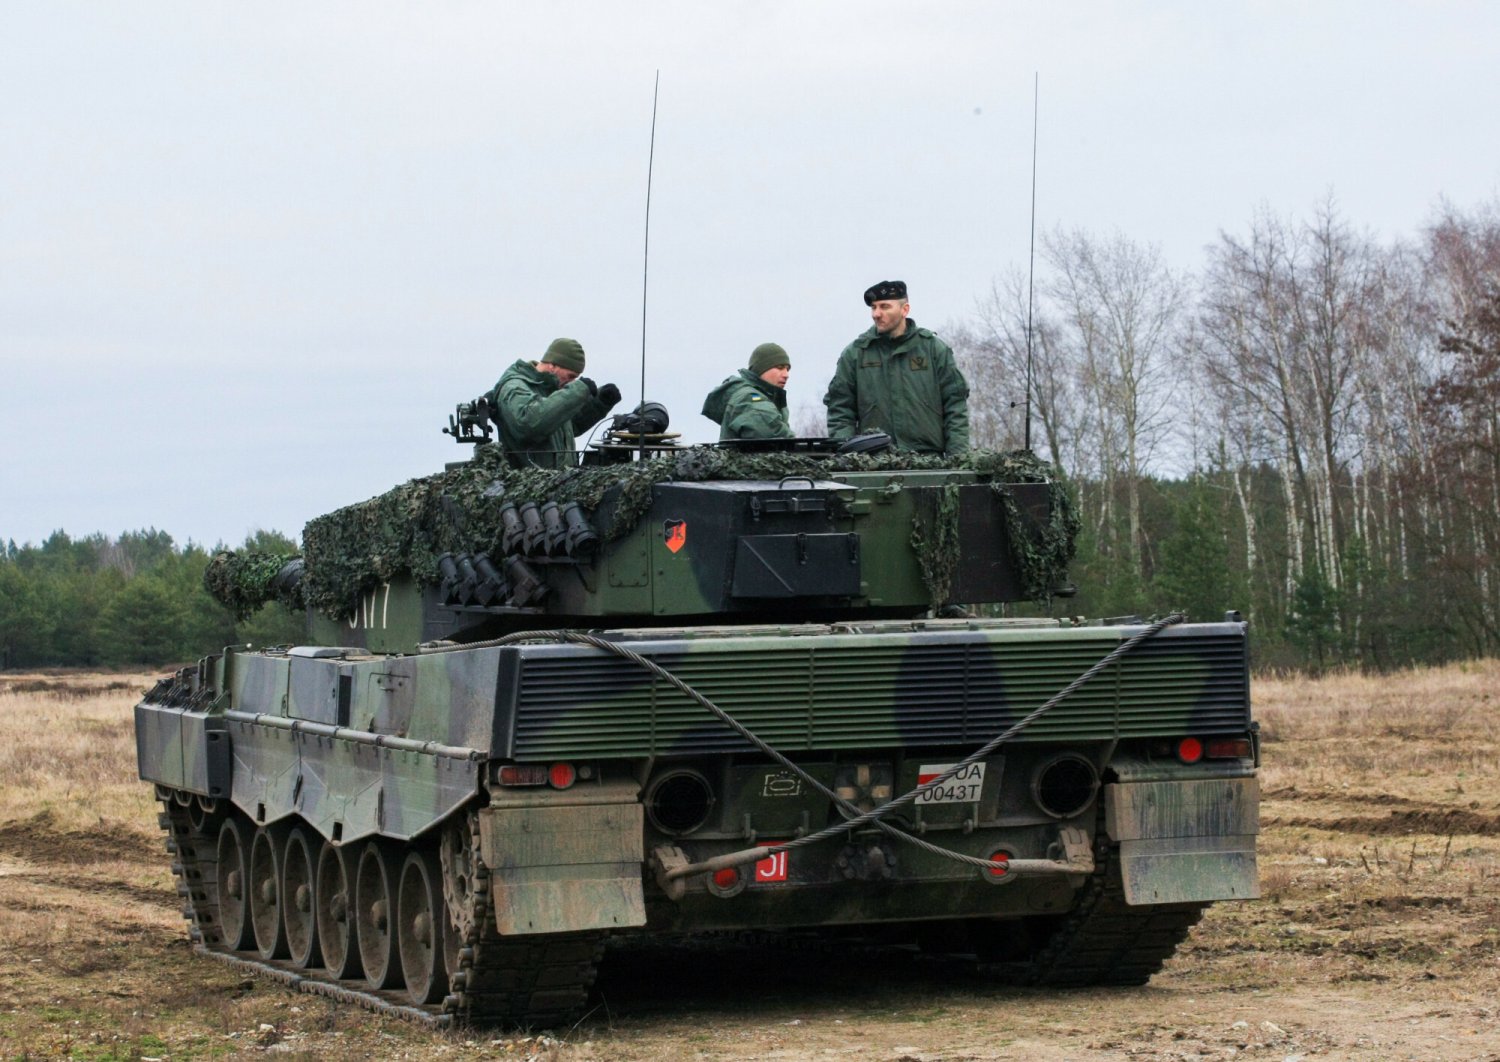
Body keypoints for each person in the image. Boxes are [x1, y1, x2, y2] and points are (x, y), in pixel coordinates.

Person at [823, 280, 970, 455]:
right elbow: (840, 409)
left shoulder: (933, 349)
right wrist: (848, 455)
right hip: (874, 461)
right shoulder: (856, 354)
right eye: (873, 307)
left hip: (928, 460)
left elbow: (955, 405)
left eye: (884, 307)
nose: (876, 314)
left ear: (904, 309)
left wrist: (957, 459)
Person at [488, 338, 621, 469]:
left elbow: (568, 426)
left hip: (562, 479)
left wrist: (599, 403)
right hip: (529, 481)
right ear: (552, 365)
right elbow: (528, 424)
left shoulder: (552, 389)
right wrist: (577, 391)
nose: (572, 382)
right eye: (570, 376)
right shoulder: (514, 387)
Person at [702, 342, 795, 441]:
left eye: (787, 369)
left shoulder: (770, 399)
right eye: (780, 368)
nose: (786, 375)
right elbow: (774, 435)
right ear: (762, 369)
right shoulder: (749, 398)